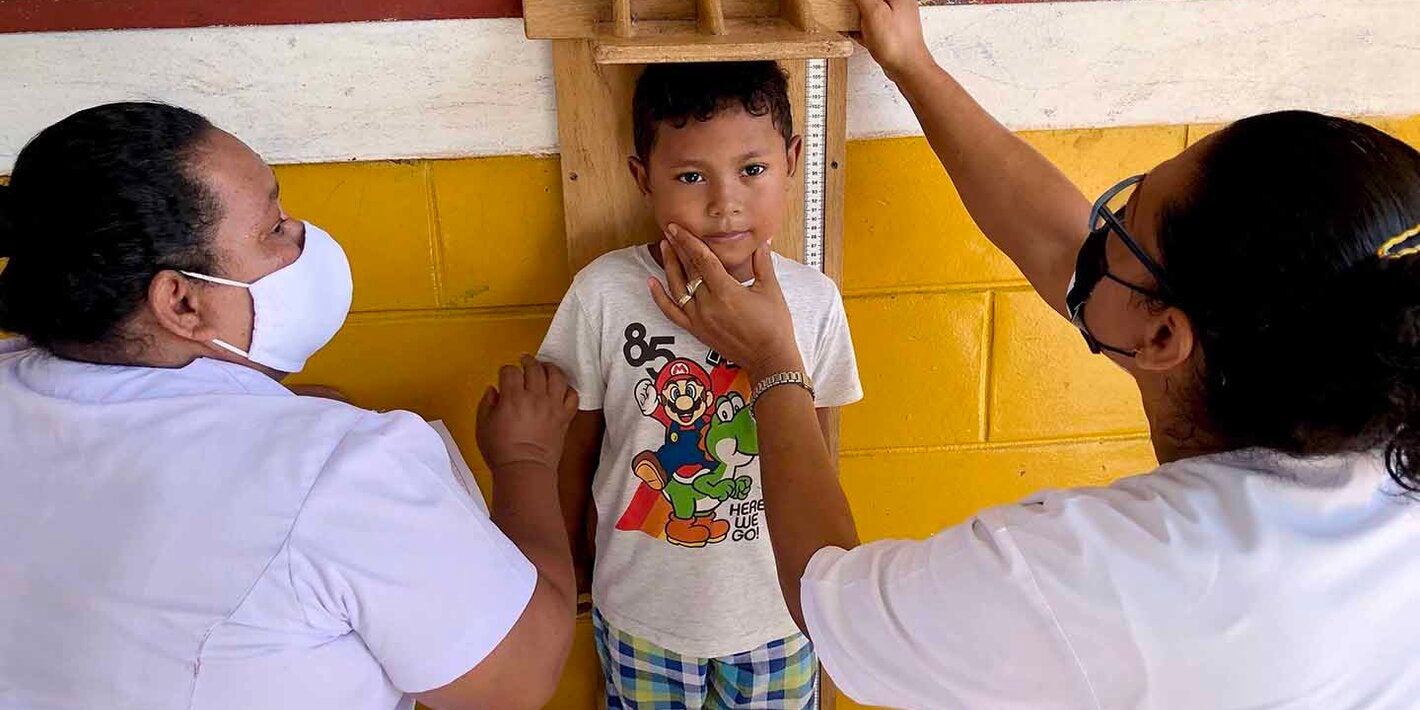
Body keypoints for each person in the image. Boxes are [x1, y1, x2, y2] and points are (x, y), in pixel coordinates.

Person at [645, 0, 1420, 707]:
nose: (1097, 233)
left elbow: (829, 600)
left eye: (1125, 222)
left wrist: (774, 361)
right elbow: (1064, 247)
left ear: (1163, 339)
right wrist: (910, 60)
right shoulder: (1371, 381)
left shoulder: (1102, 580)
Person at [0, 102, 578, 710]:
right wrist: (527, 461)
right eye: (273, 228)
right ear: (182, 304)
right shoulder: (347, 474)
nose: (303, 238)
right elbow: (518, 680)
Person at [537, 62, 862, 708]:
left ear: (793, 160)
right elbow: (575, 446)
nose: (725, 202)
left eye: (752, 169)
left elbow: (813, 452)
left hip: (778, 616)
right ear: (642, 178)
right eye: (691, 176)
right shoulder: (604, 294)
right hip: (642, 613)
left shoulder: (814, 302)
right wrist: (566, 554)